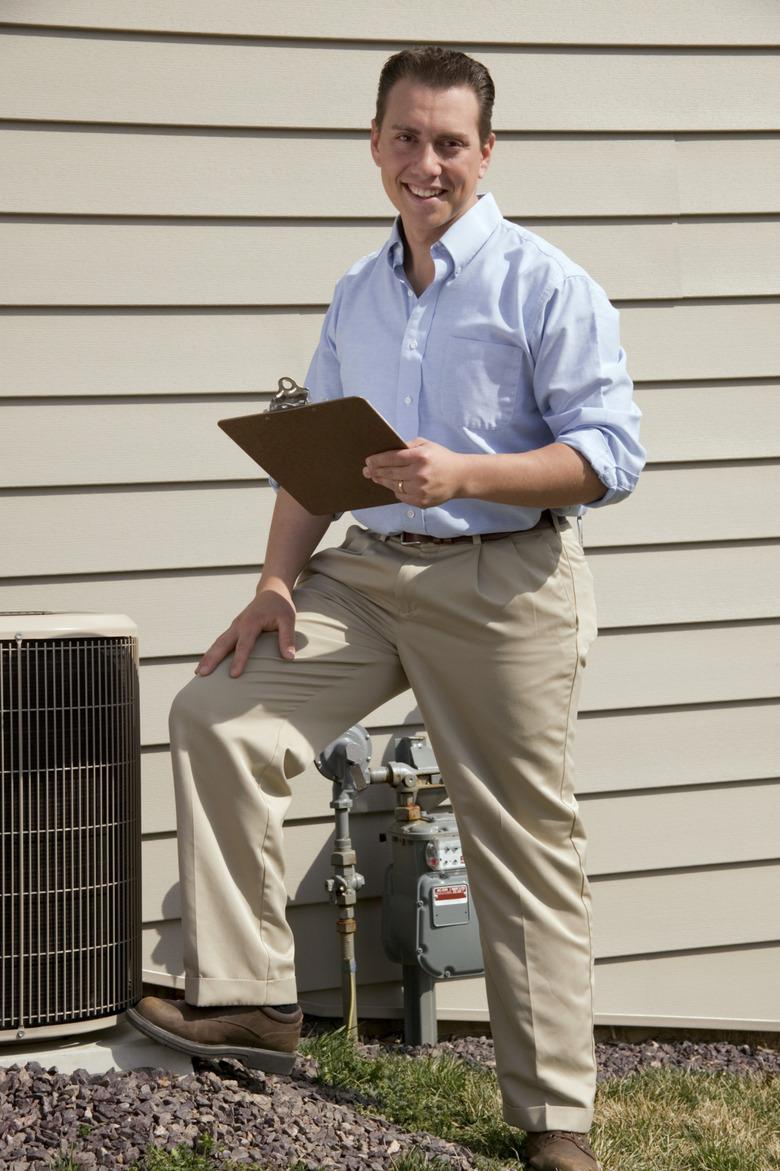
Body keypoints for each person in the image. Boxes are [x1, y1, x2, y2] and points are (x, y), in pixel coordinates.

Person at [129, 46, 644, 1171]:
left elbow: (610, 457)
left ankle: (556, 1122)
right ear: (375, 145)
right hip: (369, 575)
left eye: (450, 142)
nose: (427, 162)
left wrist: (469, 474)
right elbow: (317, 459)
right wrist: (272, 581)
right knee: (216, 712)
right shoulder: (359, 291)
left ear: (487, 152)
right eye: (406, 138)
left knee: (524, 842)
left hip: (505, 581)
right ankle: (251, 997)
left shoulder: (545, 284)